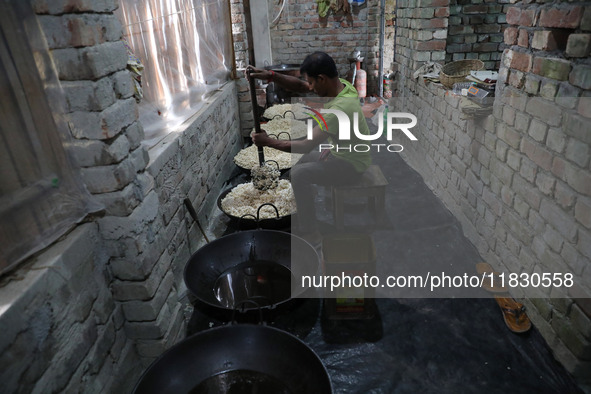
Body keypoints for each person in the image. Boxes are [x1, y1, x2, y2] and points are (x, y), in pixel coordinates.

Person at [247, 51, 372, 247]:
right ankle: (305, 206)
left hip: (351, 164)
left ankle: (311, 233)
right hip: (341, 152)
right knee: (300, 163)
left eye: (312, 83)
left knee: (300, 174)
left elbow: (306, 144)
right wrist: (270, 76)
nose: (310, 87)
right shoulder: (343, 86)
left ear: (322, 79)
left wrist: (268, 141)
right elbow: (301, 85)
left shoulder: (339, 108)